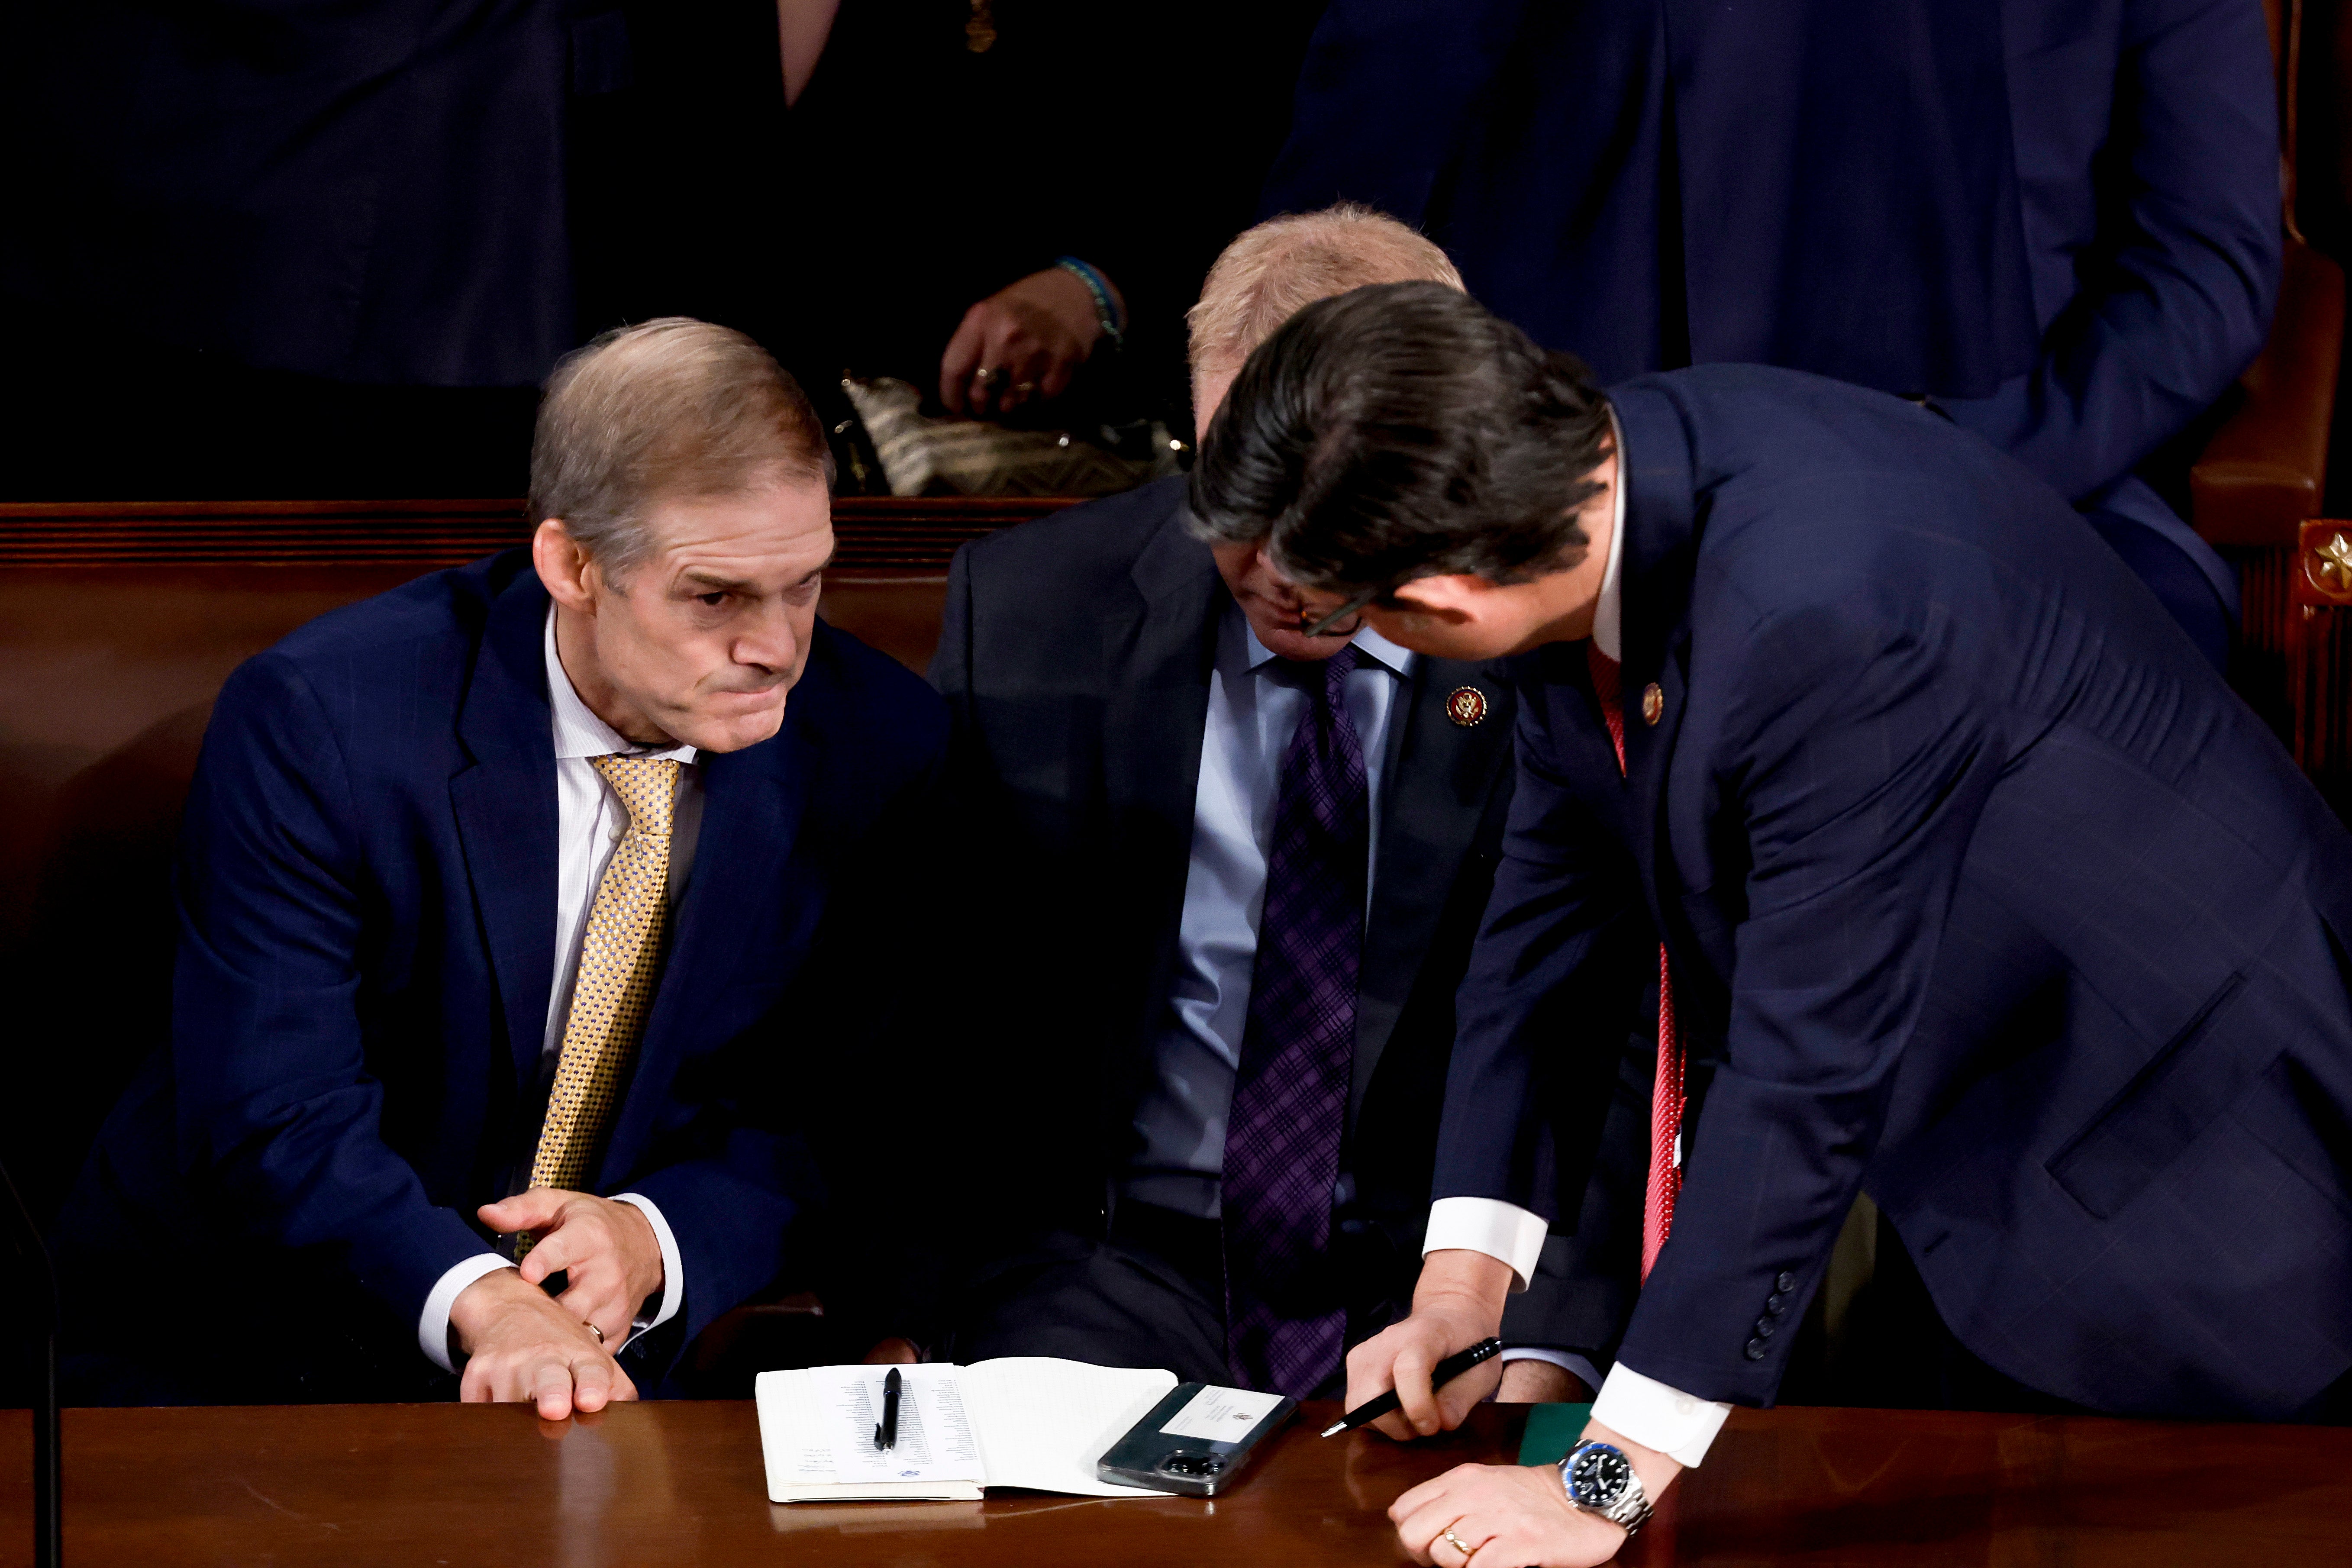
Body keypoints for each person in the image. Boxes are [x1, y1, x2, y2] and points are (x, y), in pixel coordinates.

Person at [1191, 282, 2352, 1566]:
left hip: (2188, 1163)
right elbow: (1543, 924)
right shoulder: (1583, 486)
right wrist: (1462, 1286)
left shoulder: (1829, 619)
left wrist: (1594, 1481)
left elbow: (1809, 1071)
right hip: (1969, 1137)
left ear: (1444, 599)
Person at [55, 319, 946, 1413]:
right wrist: (482, 1295)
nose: (777, 647)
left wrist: (653, 1237)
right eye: (715, 596)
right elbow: (272, 1109)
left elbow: (848, 1111)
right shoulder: (327, 721)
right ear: (573, 565)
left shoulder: (877, 743)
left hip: (610, 1372)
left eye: (804, 584)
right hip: (246, 1343)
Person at [929, 207, 1583, 1401]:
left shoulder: (1555, 637)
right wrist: (911, 1307)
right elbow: (939, 1019)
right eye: (1242, 481)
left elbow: (1611, 1038)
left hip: (1461, 1267)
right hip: (1116, 1265)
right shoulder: (1031, 610)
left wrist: (1554, 1335)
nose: (1285, 556)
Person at [1261, 0, 2281, 669]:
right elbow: (1338, 219)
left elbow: (2201, 272)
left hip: (2000, 462)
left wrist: (1955, 464)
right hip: (1552, 477)